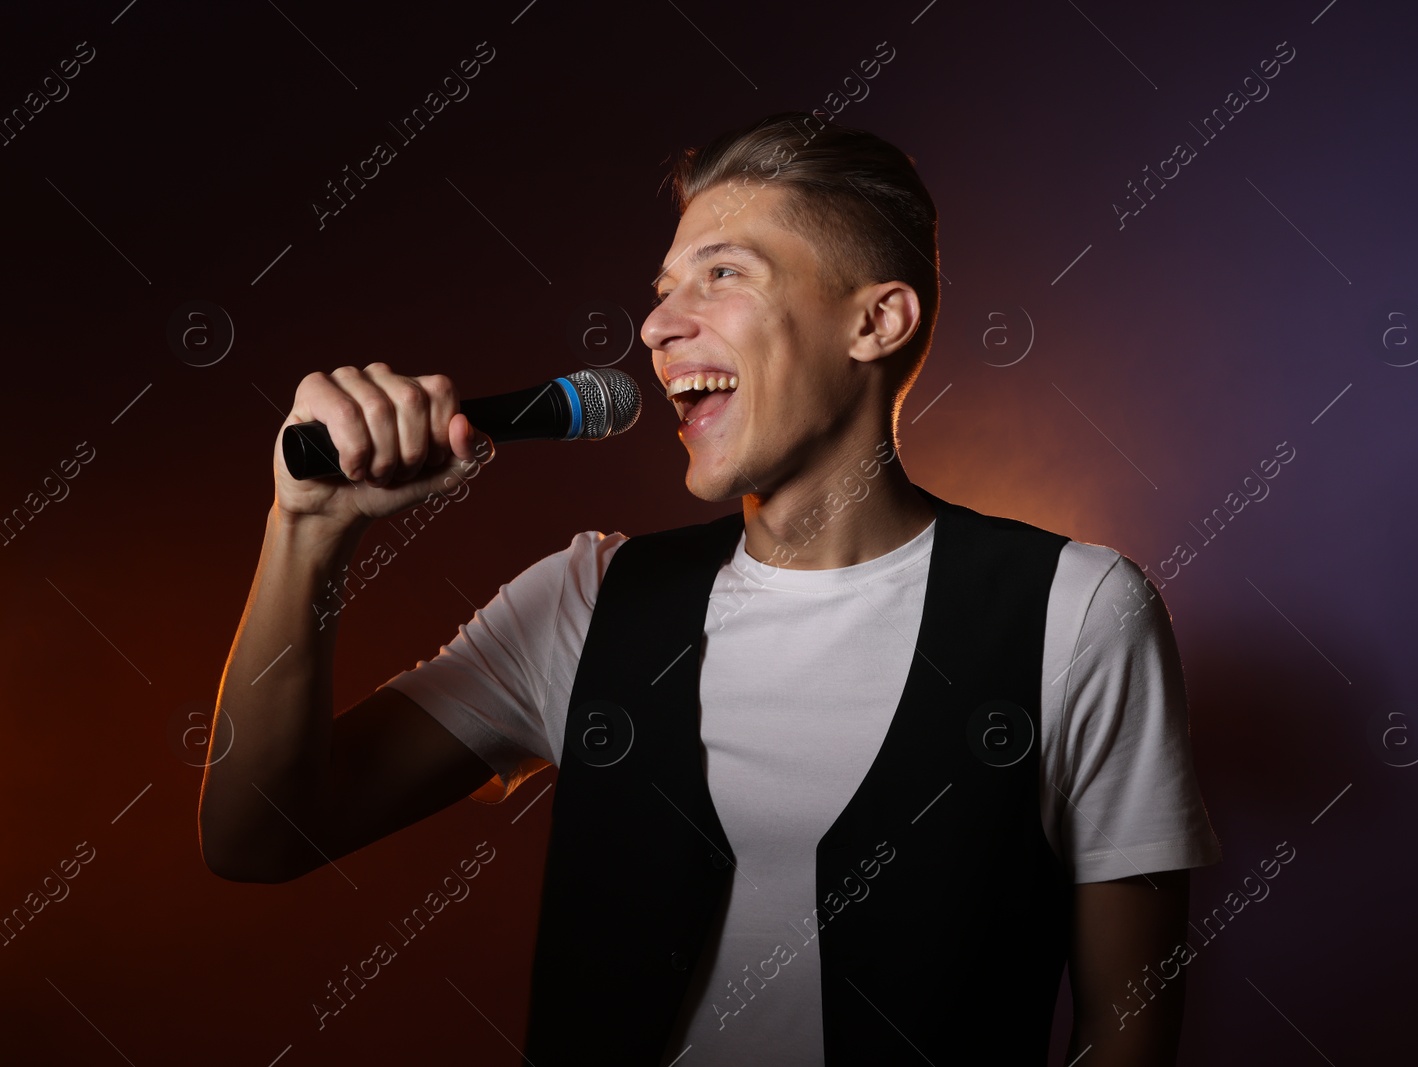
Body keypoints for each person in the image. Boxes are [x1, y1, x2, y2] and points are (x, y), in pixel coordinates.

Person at [199, 111, 1221, 1065]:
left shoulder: (1079, 611)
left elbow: (1125, 1036)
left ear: (876, 322)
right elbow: (258, 836)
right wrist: (307, 534)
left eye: (720, 273)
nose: (653, 325)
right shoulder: (583, 599)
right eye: (662, 284)